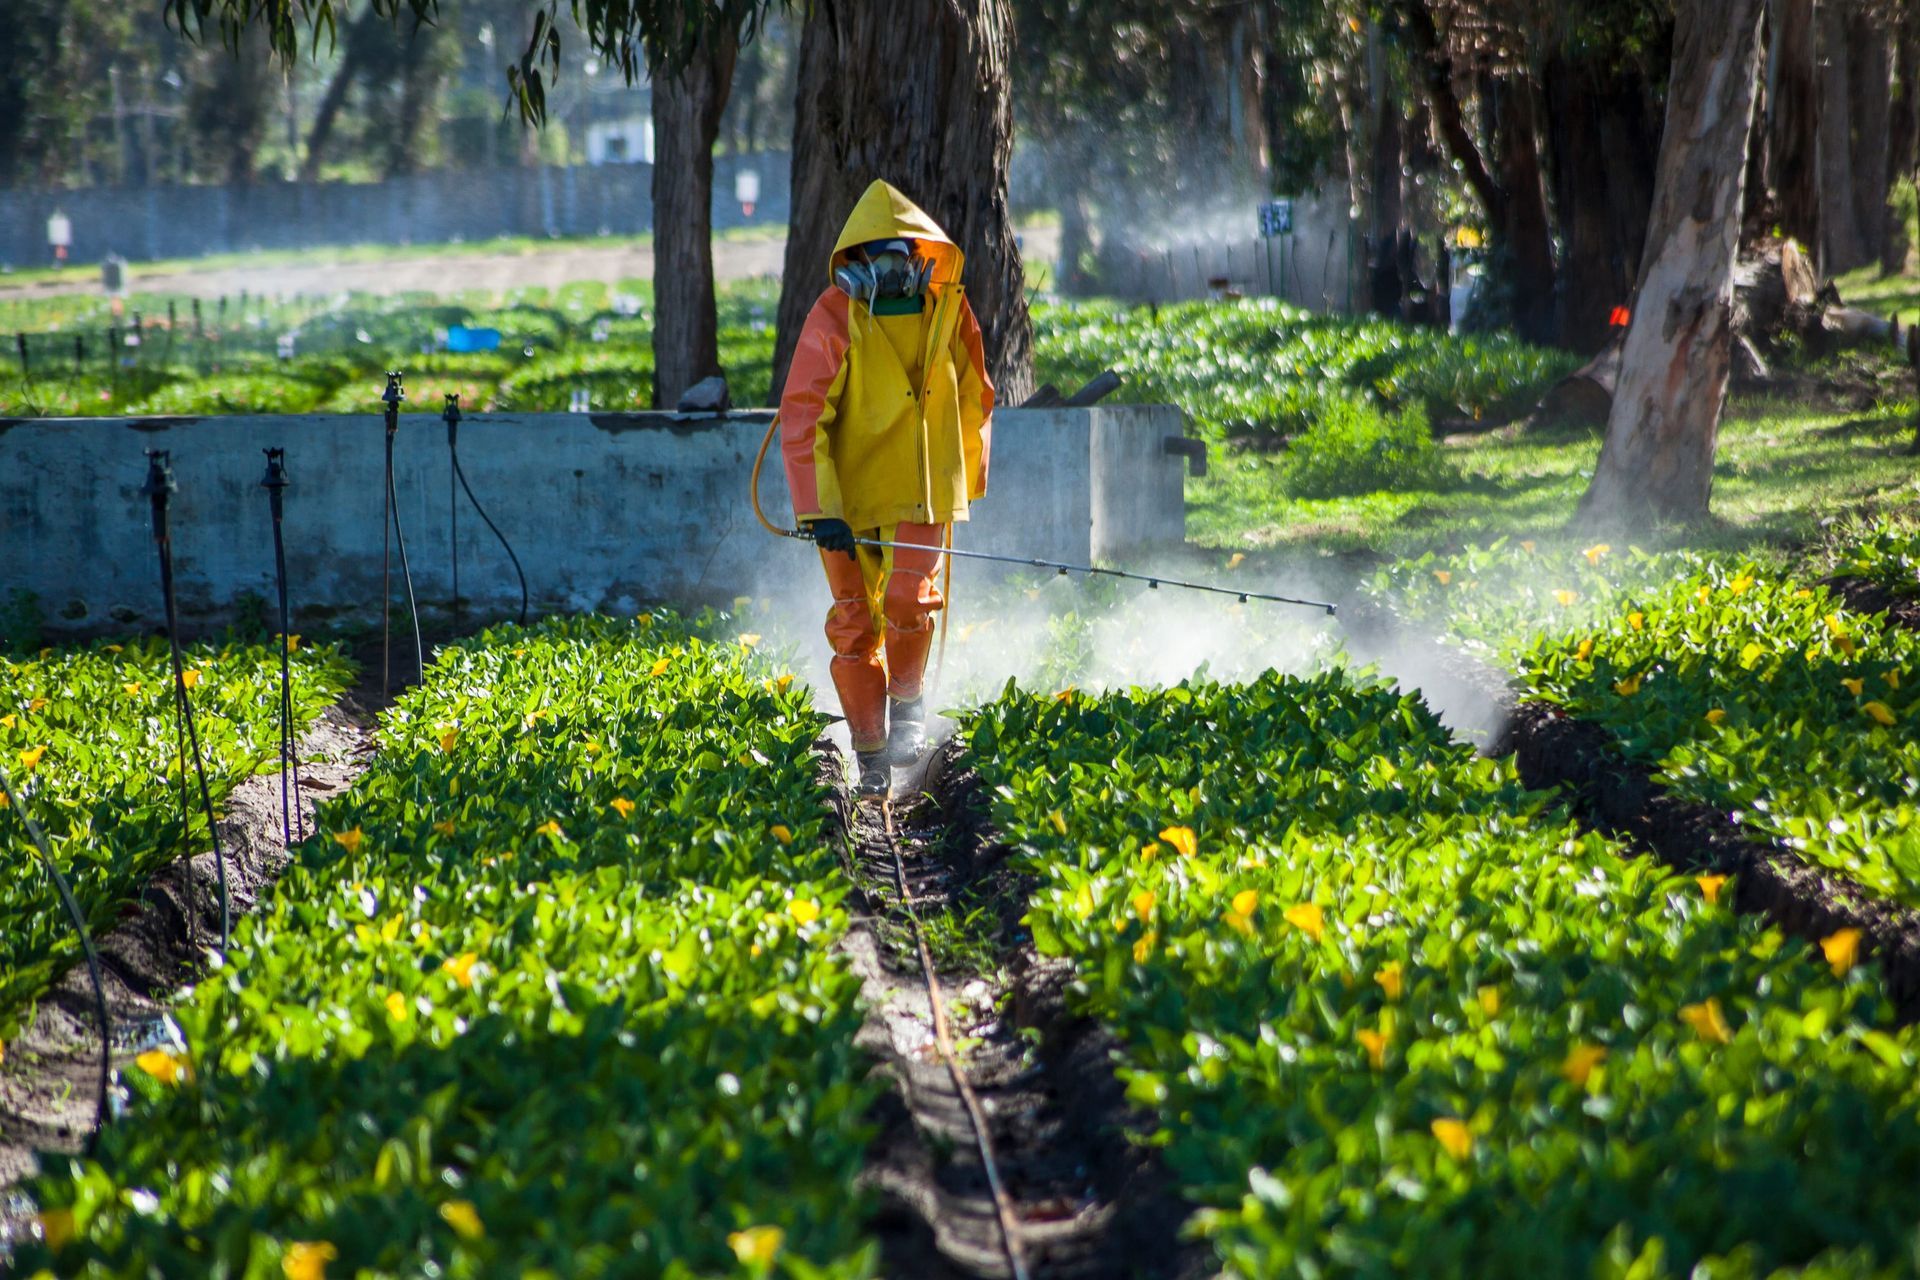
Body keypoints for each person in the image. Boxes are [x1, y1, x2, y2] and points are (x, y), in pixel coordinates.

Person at [778, 180, 995, 797]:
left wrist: (966, 479)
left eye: (902, 254)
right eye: (880, 256)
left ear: (921, 255)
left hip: (922, 489)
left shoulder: (949, 310)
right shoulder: (833, 316)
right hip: (845, 502)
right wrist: (817, 509)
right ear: (857, 261)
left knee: (906, 599)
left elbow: (977, 394)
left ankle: (908, 701)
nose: (895, 270)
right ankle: (869, 752)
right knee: (854, 622)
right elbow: (803, 417)